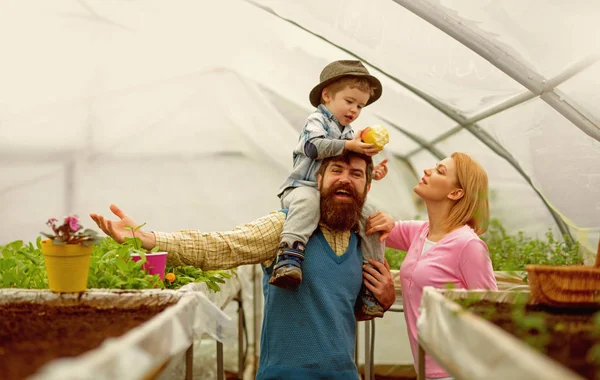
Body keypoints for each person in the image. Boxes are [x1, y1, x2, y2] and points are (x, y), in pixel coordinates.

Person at [90, 151, 396, 380]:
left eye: (356, 174)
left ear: (367, 186)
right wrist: (147, 237)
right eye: (336, 170)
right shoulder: (286, 230)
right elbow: (221, 246)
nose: (345, 178)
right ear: (318, 180)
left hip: (344, 374)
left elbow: (336, 311)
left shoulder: (365, 241)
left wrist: (384, 299)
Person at [272, 59, 389, 321]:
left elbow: (348, 168)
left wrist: (372, 171)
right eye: (349, 101)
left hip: (328, 193)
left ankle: (371, 280)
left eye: (360, 105)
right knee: (308, 200)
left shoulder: (348, 132)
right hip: (301, 187)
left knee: (371, 215)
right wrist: (349, 147)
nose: (355, 110)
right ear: (327, 95)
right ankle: (289, 256)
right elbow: (313, 147)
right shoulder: (317, 120)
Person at [366, 152, 498, 380]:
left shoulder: (468, 245)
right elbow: (369, 223)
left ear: (456, 193)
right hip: (427, 370)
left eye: (440, 171)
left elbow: (492, 313)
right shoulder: (420, 232)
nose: (427, 171)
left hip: (457, 371)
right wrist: (366, 176)